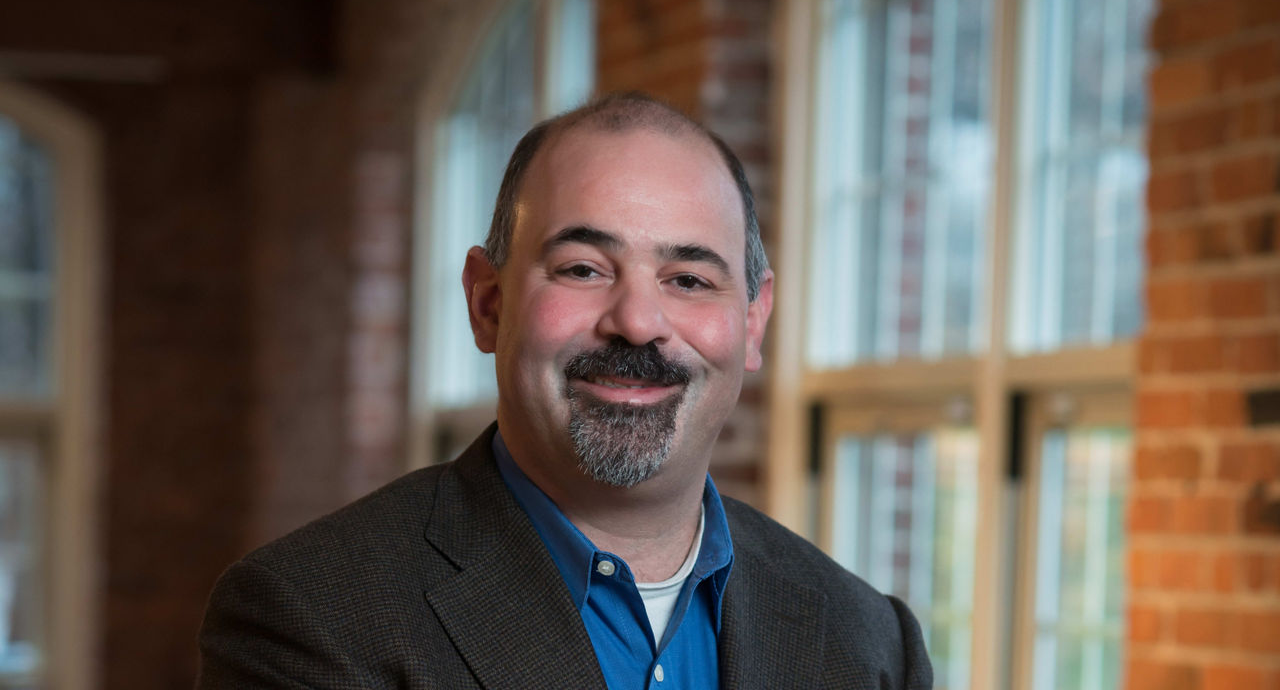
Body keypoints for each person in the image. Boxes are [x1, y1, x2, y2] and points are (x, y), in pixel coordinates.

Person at [196, 93, 932, 689]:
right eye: (583, 269)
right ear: (488, 303)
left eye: (689, 280)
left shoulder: (868, 643)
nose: (638, 323)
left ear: (751, 321)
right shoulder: (311, 618)